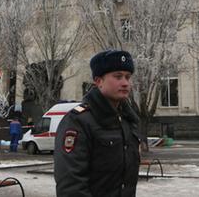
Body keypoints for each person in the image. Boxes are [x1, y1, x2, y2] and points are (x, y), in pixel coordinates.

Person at [54, 49, 140, 197]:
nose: (125, 83)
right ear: (98, 81)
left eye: (128, 77)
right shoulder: (78, 122)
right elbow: (71, 186)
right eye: (118, 77)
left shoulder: (127, 120)